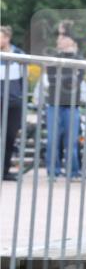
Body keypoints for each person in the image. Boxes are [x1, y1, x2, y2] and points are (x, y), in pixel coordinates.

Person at [44, 32, 85, 179]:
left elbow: (75, 81)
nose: (59, 41)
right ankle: (52, 171)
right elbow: (52, 78)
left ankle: (73, 172)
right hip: (54, 104)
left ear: (71, 41)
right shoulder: (53, 58)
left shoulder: (79, 59)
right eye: (59, 39)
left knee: (72, 143)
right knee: (51, 141)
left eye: (63, 39)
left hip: (71, 105)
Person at [1, 26, 27, 181]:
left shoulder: (19, 55)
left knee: (10, 137)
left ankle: (4, 170)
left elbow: (24, 79)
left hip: (13, 103)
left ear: (7, 38)